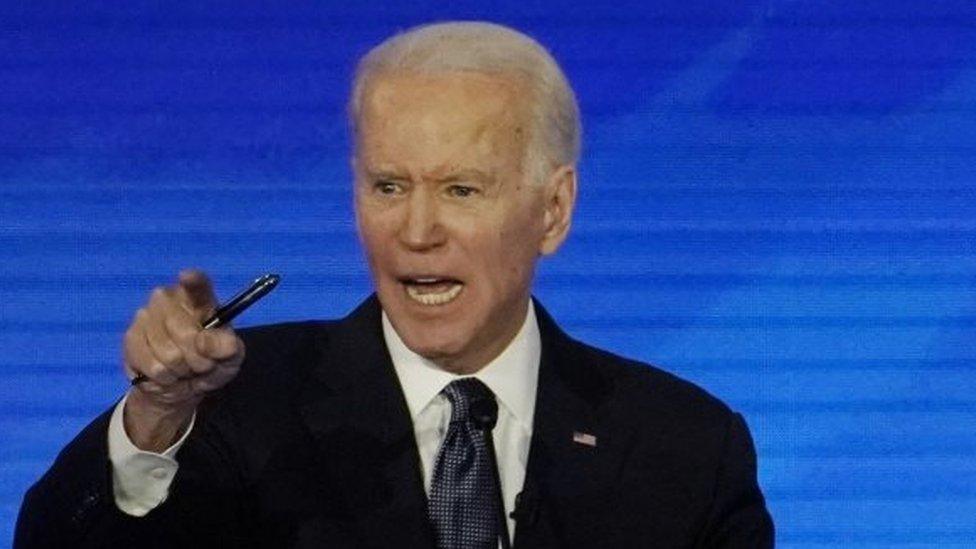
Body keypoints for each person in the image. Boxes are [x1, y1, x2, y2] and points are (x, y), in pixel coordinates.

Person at [15, 21, 774, 548]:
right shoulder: (234, 411)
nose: (416, 231)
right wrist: (153, 418)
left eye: (462, 190)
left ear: (553, 208)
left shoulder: (685, 447)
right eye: (387, 186)